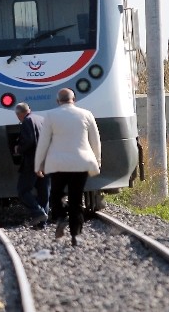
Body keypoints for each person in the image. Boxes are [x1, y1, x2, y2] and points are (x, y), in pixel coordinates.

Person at [34, 88, 101, 246]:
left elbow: (43, 142)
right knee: (76, 199)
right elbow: (95, 140)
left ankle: (61, 217)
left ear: (58, 101)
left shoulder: (50, 115)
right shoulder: (86, 114)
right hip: (81, 162)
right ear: (74, 99)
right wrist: (97, 160)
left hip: (58, 164)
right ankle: (75, 235)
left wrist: (38, 165)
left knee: (55, 195)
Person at [13, 102, 50, 228]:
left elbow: (29, 141)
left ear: (19, 114)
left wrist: (19, 149)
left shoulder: (27, 121)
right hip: (46, 160)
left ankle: (38, 212)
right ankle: (42, 223)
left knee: (23, 190)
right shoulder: (41, 119)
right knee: (43, 192)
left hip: (33, 162)